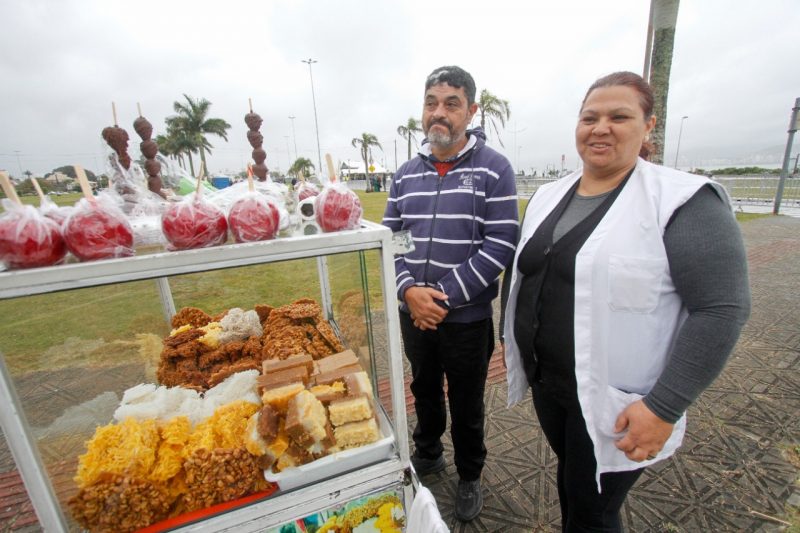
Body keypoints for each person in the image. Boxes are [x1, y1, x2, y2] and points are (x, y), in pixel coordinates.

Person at [501, 71, 751, 532]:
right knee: (574, 482)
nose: (601, 128)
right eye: (589, 118)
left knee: (595, 509)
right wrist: (511, 340)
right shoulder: (548, 195)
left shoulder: (682, 201)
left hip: (618, 401)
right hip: (551, 385)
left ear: (648, 125)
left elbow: (722, 309)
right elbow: (523, 271)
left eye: (619, 117)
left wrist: (664, 407)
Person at [382, 65, 519, 522]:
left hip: (465, 319)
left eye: (451, 104)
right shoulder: (406, 174)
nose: (438, 113)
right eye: (431, 103)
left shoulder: (494, 169)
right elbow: (391, 239)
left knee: (467, 400)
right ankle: (428, 452)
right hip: (414, 314)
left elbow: (500, 244)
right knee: (422, 388)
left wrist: (438, 297)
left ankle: (469, 473)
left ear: (471, 111)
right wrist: (408, 291)